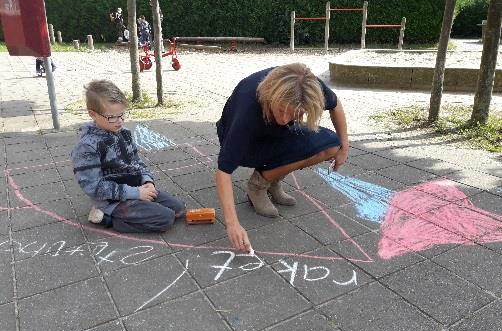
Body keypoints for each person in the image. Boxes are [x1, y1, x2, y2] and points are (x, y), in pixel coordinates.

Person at [215, 63, 349, 252]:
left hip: (276, 133)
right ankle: (257, 187)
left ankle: (271, 178)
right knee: (278, 138)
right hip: (246, 141)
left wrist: (345, 148)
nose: (286, 119)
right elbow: (223, 171)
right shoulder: (248, 107)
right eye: (281, 110)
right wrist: (232, 224)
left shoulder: (305, 87)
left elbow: (335, 104)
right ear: (273, 95)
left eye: (295, 113)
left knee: (332, 146)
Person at [71, 80, 185, 233]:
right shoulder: (87, 147)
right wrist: (136, 193)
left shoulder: (123, 134)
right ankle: (108, 218)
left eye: (121, 115)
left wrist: (147, 180)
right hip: (113, 200)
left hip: (137, 188)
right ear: (93, 114)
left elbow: (137, 162)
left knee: (178, 210)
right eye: (112, 117)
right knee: (166, 219)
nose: (119, 121)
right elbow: (93, 187)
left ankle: (137, 207)